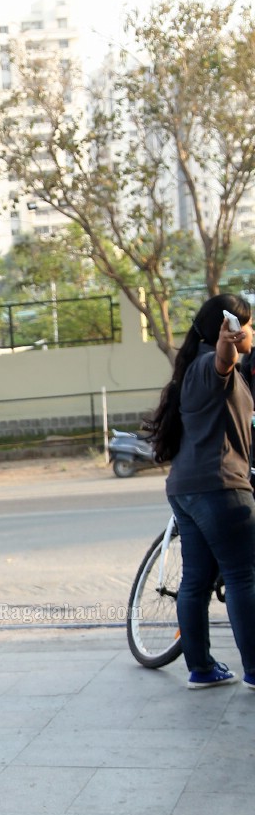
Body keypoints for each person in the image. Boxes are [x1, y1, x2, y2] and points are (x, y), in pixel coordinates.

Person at [146, 293, 255, 689]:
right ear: (230, 329)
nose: (253, 332)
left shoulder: (190, 368)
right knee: (243, 577)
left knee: (194, 581)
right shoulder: (212, 364)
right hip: (220, 487)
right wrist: (229, 344)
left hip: (186, 488)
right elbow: (225, 361)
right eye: (249, 326)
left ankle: (202, 668)